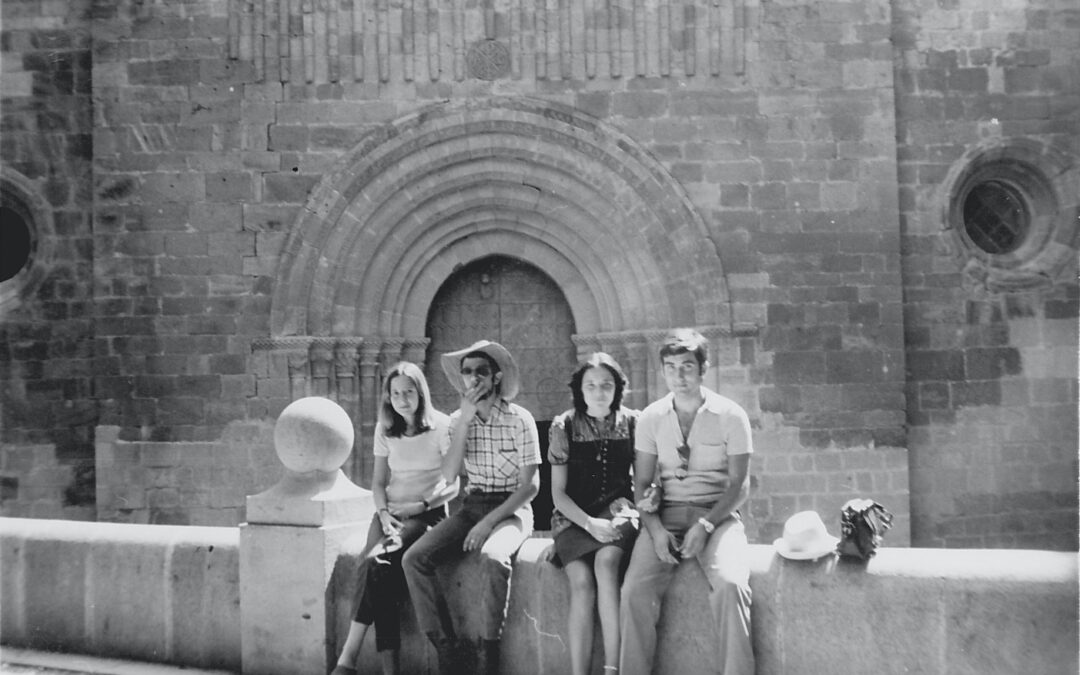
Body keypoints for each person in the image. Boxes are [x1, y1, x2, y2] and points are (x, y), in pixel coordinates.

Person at [619, 328, 755, 675]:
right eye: (670, 367)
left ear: (703, 368)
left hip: (718, 516)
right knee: (633, 591)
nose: (679, 376)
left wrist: (707, 524)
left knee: (730, 584)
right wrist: (655, 530)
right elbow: (642, 485)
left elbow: (740, 485)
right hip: (664, 517)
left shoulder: (731, 415)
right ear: (662, 370)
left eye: (687, 366)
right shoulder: (650, 417)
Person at [402, 340, 541, 675]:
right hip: (471, 505)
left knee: (493, 558)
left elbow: (530, 487)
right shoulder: (454, 422)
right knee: (413, 558)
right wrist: (464, 421)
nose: (474, 378)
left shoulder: (520, 419)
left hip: (511, 509)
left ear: (495, 377)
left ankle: (487, 657)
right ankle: (448, 651)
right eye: (467, 372)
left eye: (482, 371)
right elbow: (449, 474)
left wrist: (487, 524)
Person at [331, 362, 460, 675]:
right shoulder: (384, 428)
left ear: (421, 392)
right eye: (396, 393)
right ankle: (384, 669)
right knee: (375, 574)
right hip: (390, 512)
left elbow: (454, 484)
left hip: (425, 513)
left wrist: (421, 505)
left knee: (376, 566)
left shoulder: (442, 426)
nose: (403, 399)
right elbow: (377, 483)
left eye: (409, 391)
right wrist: (385, 514)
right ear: (388, 397)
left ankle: (348, 660)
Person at [546, 353, 639, 675]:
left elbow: (641, 482)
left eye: (606, 385)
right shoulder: (564, 425)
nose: (599, 392)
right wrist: (588, 523)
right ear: (580, 390)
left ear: (618, 388)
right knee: (582, 583)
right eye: (591, 386)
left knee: (606, 562)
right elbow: (557, 493)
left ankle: (613, 669)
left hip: (619, 510)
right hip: (573, 515)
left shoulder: (633, 422)